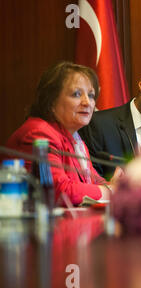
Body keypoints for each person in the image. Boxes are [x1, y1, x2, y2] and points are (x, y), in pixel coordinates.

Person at [6, 61, 122, 206]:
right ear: (51, 101)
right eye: (76, 94)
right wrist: (111, 191)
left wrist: (115, 186)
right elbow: (60, 191)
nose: (88, 102)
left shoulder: (75, 139)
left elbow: (94, 180)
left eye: (91, 95)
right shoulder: (39, 133)